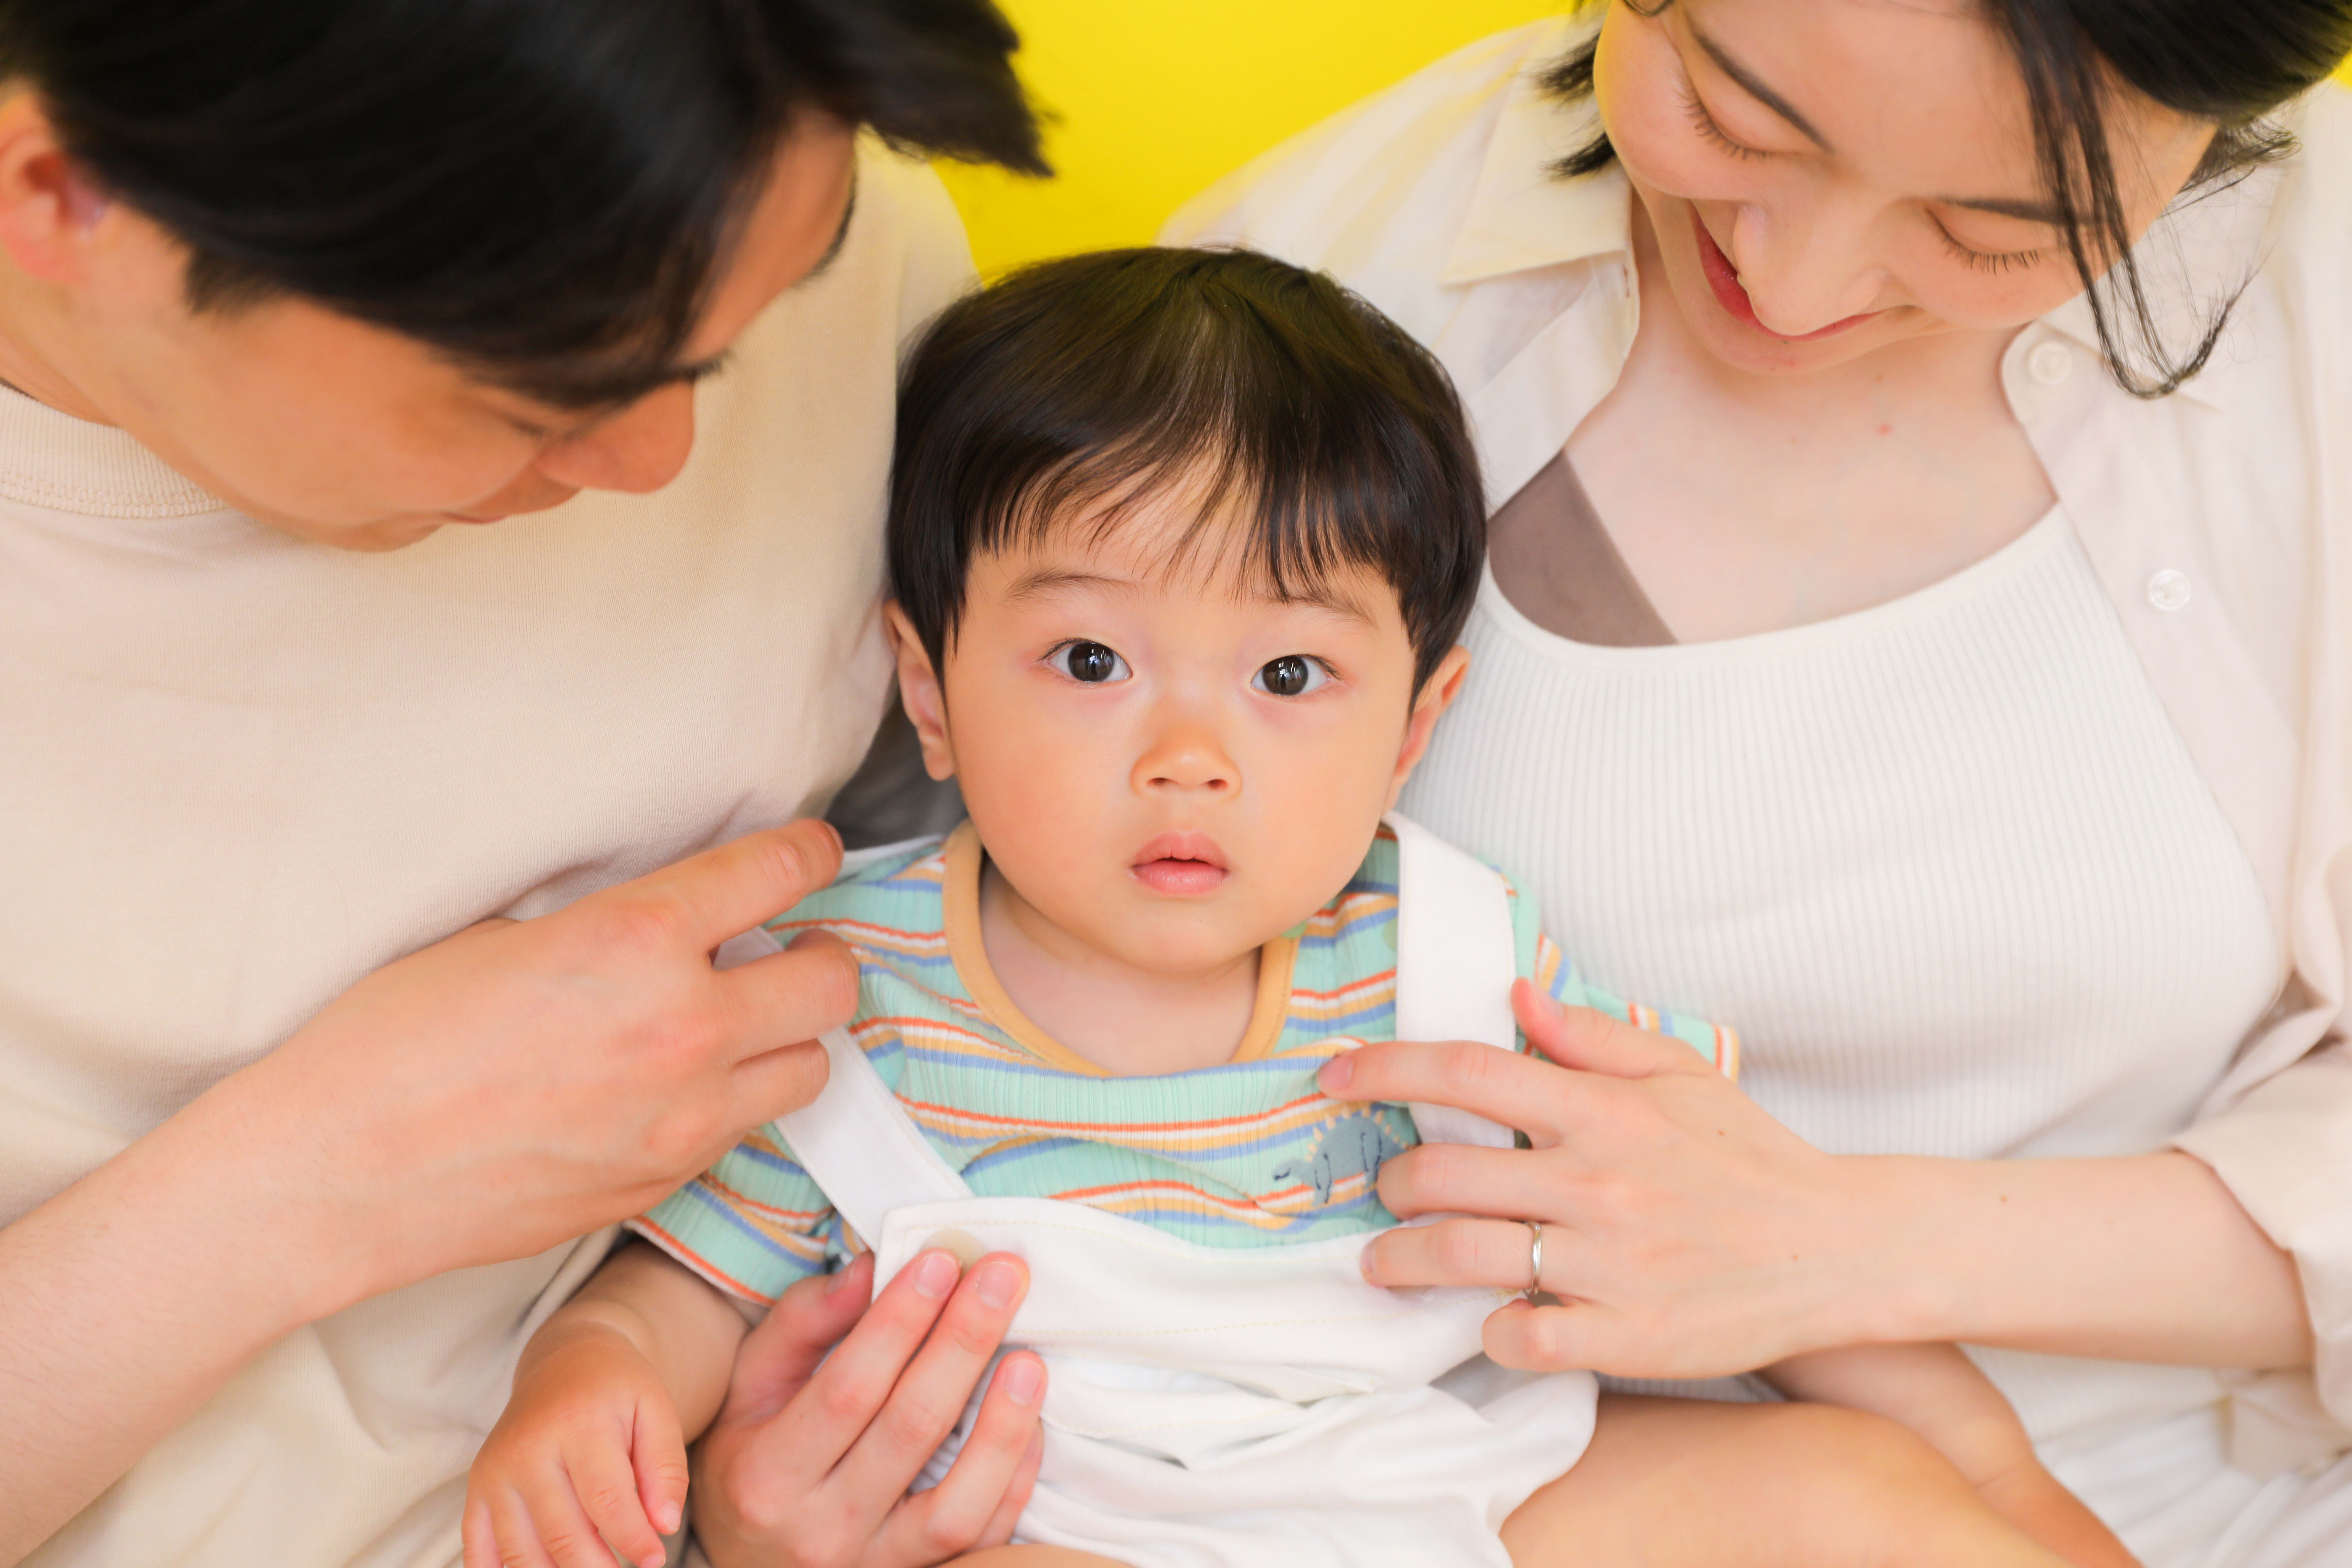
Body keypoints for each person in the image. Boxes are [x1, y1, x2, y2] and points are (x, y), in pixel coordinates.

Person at [466, 247, 2140, 1568]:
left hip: (1452, 1484)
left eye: (1286, 673)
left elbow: (1728, 1237)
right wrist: (590, 1386)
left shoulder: (1452, 960)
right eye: (1090, 661)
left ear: (1414, 725)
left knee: (1834, 1481)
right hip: (1055, 1518)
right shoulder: (842, 993)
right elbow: (676, 1287)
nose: (1188, 757)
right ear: (929, 686)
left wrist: (1993, 1473)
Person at [1164, 0, 2352, 1563]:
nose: (1792, 290)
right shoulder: (1288, 299)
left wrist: (1837, 1246)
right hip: (1474, 1495)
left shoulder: (2316, 299)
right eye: (1731, 120)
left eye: (1992, 230)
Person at [0, 3, 1064, 1565]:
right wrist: (311, 1178)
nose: (661, 460)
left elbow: (1000, 974)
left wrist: (808, 1431)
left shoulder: (749, 193)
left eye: (729, 341)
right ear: (65, 202)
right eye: (536, 391)